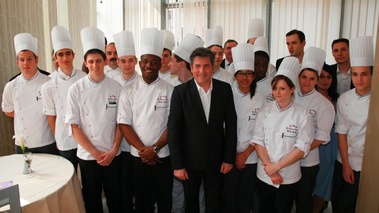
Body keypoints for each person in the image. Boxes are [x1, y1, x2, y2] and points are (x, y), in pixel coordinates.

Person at [168, 47, 237, 212]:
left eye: (206, 66)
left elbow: (232, 125)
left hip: (216, 159)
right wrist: (178, 165)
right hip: (189, 160)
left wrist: (228, 158)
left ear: (212, 67)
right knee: (191, 203)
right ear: (191, 68)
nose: (202, 71)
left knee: (214, 203)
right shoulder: (180, 92)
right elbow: (174, 130)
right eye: (197, 66)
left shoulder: (224, 89)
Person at [65, 26, 122, 213]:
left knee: (115, 196)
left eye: (99, 61)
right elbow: (73, 127)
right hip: (88, 156)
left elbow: (121, 123)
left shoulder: (116, 87)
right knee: (91, 197)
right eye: (91, 62)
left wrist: (113, 150)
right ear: (85, 62)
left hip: (113, 154)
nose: (95, 65)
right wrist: (95, 153)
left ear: (105, 61)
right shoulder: (76, 89)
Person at [117, 28, 173, 213]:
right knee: (142, 201)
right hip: (138, 157)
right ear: (140, 64)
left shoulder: (170, 90)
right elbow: (124, 124)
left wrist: (155, 149)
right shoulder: (128, 90)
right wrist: (144, 150)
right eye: (146, 61)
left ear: (160, 64)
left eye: (154, 62)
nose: (149, 65)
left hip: (163, 156)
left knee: (165, 200)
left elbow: (173, 125)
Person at [251, 57, 314, 213]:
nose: (277, 93)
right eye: (275, 88)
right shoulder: (265, 111)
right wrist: (270, 169)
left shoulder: (303, 115)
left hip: (288, 175)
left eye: (282, 88)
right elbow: (258, 142)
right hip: (265, 174)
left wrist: (276, 168)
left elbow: (301, 149)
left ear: (292, 89)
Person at [331, 36, 373, 213]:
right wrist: (346, 165)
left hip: (367, 164)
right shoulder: (344, 99)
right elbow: (342, 133)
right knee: (338, 203)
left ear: (372, 74)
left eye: (364, 74)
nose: (359, 79)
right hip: (345, 160)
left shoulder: (376, 101)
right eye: (355, 74)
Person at [222, 43, 265, 213]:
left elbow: (262, 131)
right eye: (240, 73)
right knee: (229, 197)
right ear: (235, 75)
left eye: (248, 74)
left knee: (246, 198)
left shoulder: (261, 99)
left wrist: (245, 154)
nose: (244, 78)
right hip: (229, 156)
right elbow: (222, 127)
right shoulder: (227, 94)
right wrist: (232, 154)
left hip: (252, 155)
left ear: (254, 76)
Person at [293, 47, 335, 213]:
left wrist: (297, 151)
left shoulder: (324, 104)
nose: (307, 82)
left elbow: (321, 137)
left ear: (317, 80)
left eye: (312, 78)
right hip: (286, 158)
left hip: (308, 162)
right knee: (288, 198)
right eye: (304, 77)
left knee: (304, 201)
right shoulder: (291, 95)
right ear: (298, 77)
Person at [2, 33, 57, 155]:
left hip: (47, 141)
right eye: (22, 60)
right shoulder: (11, 86)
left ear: (37, 60)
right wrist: (25, 115)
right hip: (23, 142)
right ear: (18, 63)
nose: (26, 63)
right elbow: (8, 110)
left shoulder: (49, 82)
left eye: (29, 59)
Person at [168, 33, 205, 213]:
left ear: (182, 63)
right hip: (177, 153)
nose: (168, 63)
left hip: (198, 156)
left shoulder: (202, 88)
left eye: (172, 60)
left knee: (199, 196)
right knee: (177, 194)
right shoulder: (170, 84)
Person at [41, 26, 87, 169]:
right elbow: (51, 115)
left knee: (88, 178)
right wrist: (57, 137)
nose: (65, 58)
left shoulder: (84, 78)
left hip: (86, 137)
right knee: (69, 177)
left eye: (68, 54)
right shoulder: (48, 85)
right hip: (64, 139)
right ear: (55, 57)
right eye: (60, 54)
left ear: (74, 55)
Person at [113, 30, 139, 213]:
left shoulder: (145, 82)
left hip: (138, 143)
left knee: (140, 186)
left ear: (136, 61)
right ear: (118, 62)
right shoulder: (111, 83)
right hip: (116, 145)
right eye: (123, 60)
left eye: (131, 60)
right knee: (122, 187)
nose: (127, 64)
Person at [312, 63, 339, 213]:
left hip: (329, 145)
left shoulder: (336, 99)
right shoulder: (307, 97)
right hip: (309, 142)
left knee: (323, 180)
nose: (325, 80)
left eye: (329, 77)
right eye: (321, 76)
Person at [254, 36, 276, 103]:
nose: (261, 69)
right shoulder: (245, 83)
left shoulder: (274, 85)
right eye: (257, 64)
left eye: (264, 65)